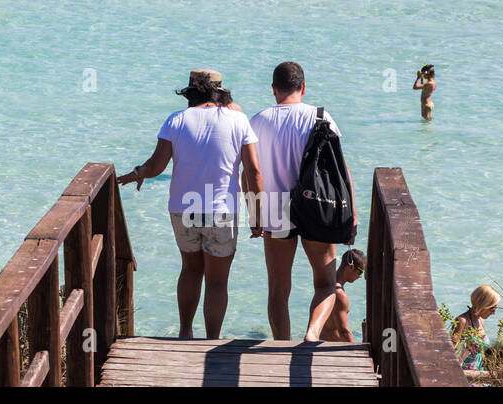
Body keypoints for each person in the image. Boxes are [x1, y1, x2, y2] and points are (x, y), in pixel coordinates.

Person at [119, 69, 263, 339]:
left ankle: (185, 333)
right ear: (219, 91)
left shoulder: (176, 120)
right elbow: (253, 172)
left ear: (190, 92)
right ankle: (211, 340)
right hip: (221, 211)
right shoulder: (239, 120)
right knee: (217, 281)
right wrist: (257, 215)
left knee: (190, 269)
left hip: (183, 209)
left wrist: (136, 173)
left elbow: (156, 165)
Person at [248, 61, 355, 341]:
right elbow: (341, 171)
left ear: (274, 89)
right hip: (316, 207)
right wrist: (351, 216)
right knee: (326, 282)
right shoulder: (321, 117)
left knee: (278, 289)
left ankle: (281, 344)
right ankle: (312, 333)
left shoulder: (257, 121)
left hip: (276, 210)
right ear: (303, 87)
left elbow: (250, 173)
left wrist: (253, 215)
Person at [319, 249, 367, 342]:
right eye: (360, 272)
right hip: (328, 348)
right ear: (351, 267)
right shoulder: (339, 294)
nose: (360, 276)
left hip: (319, 341)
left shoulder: (327, 284)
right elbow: (344, 332)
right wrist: (355, 353)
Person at [451, 286, 500, 371]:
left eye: (496, 308)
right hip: (464, 372)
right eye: (492, 309)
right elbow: (451, 349)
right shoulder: (462, 321)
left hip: (479, 371)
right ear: (483, 305)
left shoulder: (481, 320)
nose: (494, 313)